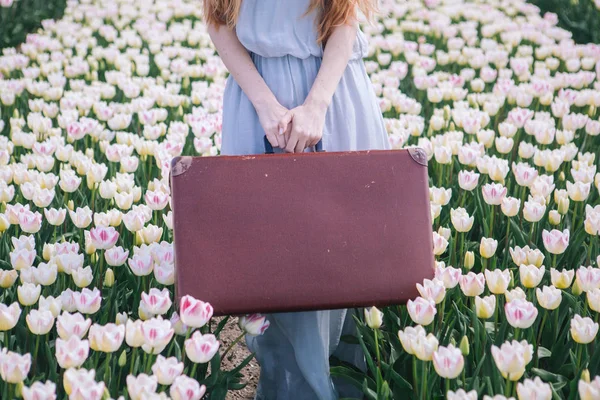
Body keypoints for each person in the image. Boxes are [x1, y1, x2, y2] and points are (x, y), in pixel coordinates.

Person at [203, 0, 392, 399]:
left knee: (343, 255)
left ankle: (348, 385)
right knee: (277, 261)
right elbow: (218, 20)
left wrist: (317, 106)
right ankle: (290, 387)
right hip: (258, 98)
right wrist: (264, 103)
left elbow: (345, 17)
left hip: (332, 93)